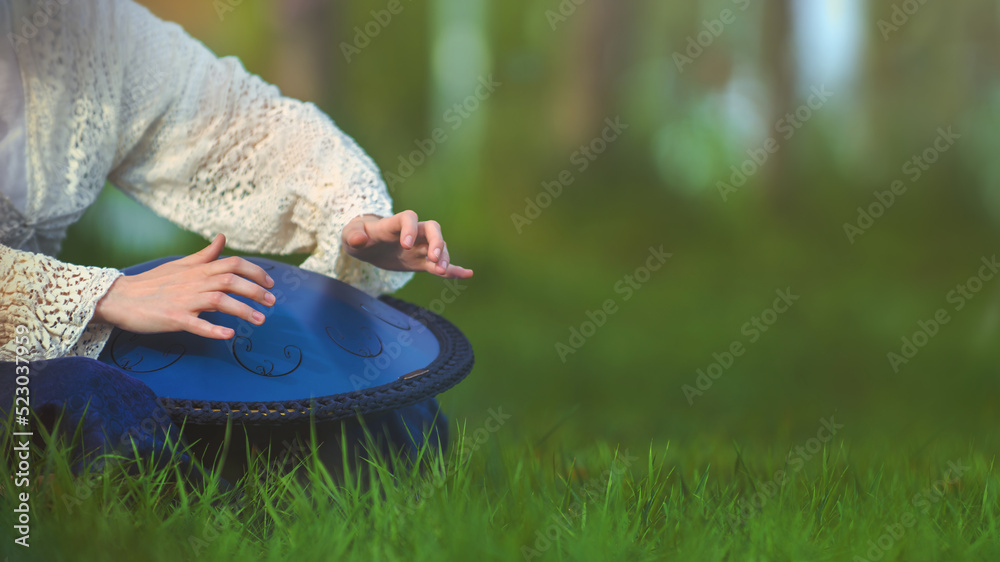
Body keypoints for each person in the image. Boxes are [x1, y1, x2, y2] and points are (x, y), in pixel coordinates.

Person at [0, 0, 471, 473]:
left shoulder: (87, 25)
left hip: (65, 336)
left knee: (384, 400)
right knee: (90, 398)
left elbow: (245, 127)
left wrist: (351, 214)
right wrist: (102, 294)